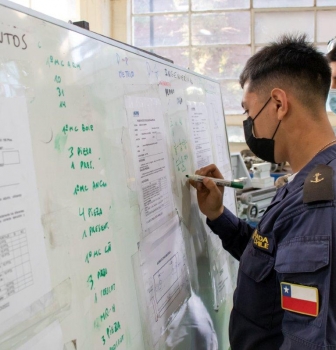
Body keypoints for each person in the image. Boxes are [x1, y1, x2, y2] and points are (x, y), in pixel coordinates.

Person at [190, 34, 336, 349]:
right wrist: (217, 215)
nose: (249, 125)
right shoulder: (307, 181)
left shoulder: (318, 206)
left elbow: (309, 340)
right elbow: (270, 263)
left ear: (279, 104)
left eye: (248, 113)